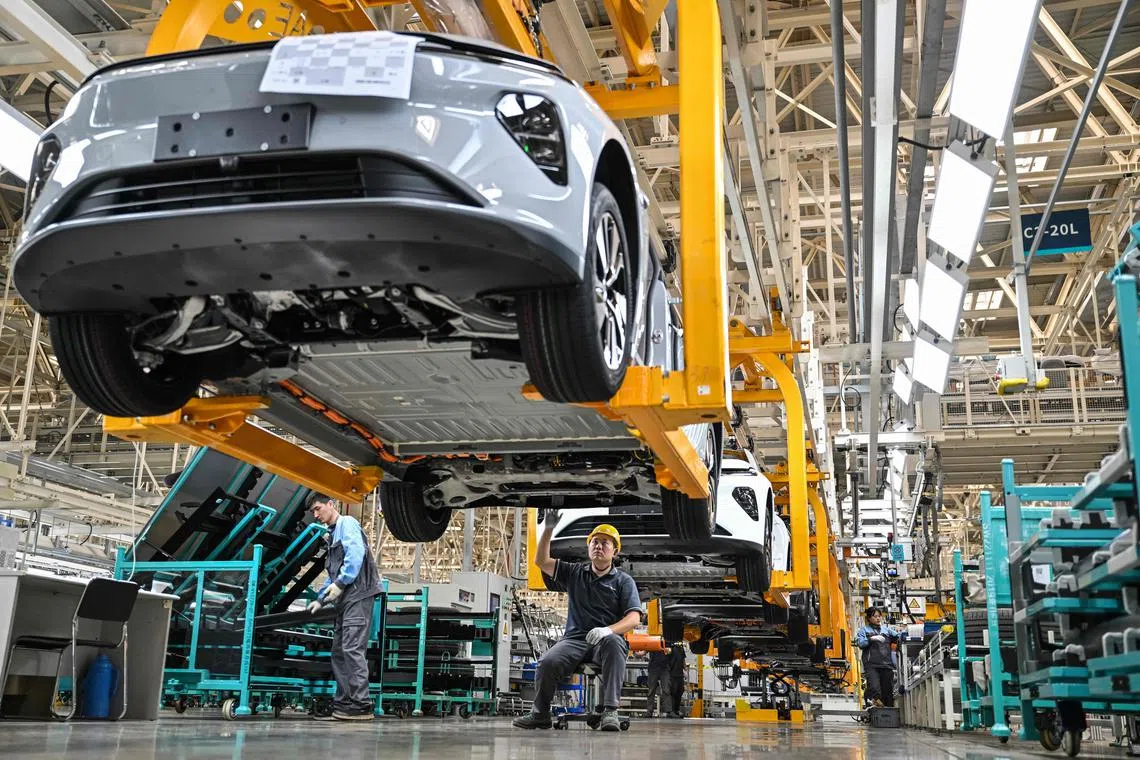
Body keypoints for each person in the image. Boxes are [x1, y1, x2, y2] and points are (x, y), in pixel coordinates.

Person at [513, 512, 643, 732]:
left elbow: (634, 618)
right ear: (589, 547)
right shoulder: (574, 572)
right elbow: (541, 561)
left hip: (605, 641)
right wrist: (548, 530)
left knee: (614, 643)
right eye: (594, 542)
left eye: (605, 543)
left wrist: (607, 631)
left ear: (615, 550)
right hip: (574, 639)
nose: (598, 546)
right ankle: (540, 714)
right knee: (547, 662)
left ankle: (610, 711)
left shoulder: (623, 581)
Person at [307, 492, 383, 721]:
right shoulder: (331, 536)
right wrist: (320, 599)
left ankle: (361, 704)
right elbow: (334, 574)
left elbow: (355, 555)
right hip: (345, 600)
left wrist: (342, 583)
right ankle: (343, 704)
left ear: (332, 504)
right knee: (339, 652)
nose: (316, 514)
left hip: (359, 595)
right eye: (313, 512)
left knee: (351, 649)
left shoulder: (347, 523)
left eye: (319, 508)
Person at [854, 606, 906, 708]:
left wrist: (904, 634)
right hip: (871, 665)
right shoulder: (863, 630)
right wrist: (871, 638)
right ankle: (875, 702)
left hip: (886, 665)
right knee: (875, 688)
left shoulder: (886, 630)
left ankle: (886, 714)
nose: (878, 618)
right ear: (869, 618)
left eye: (879, 616)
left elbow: (899, 636)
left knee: (887, 692)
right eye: (875, 616)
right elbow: (860, 643)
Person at [644, 648, 670, 717]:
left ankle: (668, 712)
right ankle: (649, 712)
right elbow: (643, 651)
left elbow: (670, 651)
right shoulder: (651, 639)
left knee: (666, 690)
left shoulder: (666, 639)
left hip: (664, 668)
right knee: (651, 691)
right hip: (653, 668)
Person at [666, 642, 687, 718]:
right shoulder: (669, 647)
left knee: (680, 691)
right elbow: (667, 660)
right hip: (672, 674)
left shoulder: (681, 648)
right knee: (673, 692)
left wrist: (685, 670)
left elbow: (683, 659)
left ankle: (676, 710)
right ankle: (671, 711)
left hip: (680, 674)